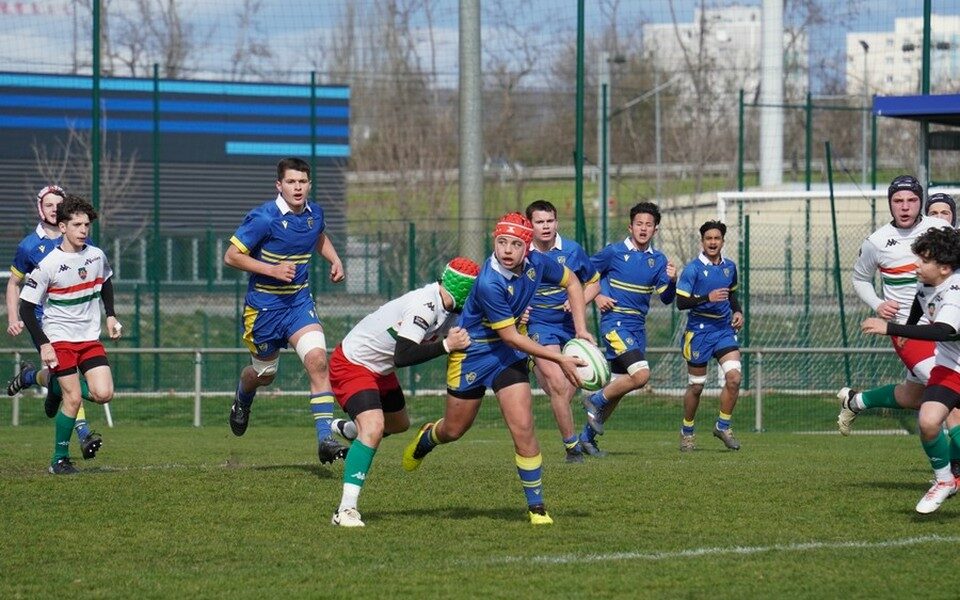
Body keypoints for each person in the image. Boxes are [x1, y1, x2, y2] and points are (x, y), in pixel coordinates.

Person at [402, 212, 592, 525]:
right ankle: (427, 438)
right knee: (454, 429)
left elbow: (572, 281)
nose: (506, 249)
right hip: (472, 353)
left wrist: (581, 329)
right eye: (501, 241)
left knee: (523, 425)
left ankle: (537, 507)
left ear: (527, 247)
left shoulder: (538, 264)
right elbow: (511, 336)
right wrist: (559, 358)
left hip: (506, 354)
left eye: (515, 244)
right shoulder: (490, 282)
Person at [327, 258, 479, 527]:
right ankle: (346, 510)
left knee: (399, 424)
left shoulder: (453, 307)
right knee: (374, 428)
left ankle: (351, 431)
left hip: (380, 370)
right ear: (460, 288)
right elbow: (403, 355)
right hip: (353, 363)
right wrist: (446, 345)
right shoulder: (425, 305)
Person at [224, 157, 347, 464]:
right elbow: (231, 256)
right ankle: (243, 396)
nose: (297, 187)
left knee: (319, 361)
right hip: (264, 309)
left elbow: (318, 236)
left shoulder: (314, 213)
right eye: (291, 182)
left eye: (302, 182)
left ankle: (325, 439)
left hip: (298, 303)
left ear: (309, 184)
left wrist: (334, 259)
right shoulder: (263, 218)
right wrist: (272, 270)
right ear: (279, 185)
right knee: (265, 375)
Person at [17, 195, 120, 474]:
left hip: (88, 338)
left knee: (104, 393)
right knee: (73, 398)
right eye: (77, 225)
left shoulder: (96, 255)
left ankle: (52, 386)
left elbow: (106, 282)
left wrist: (110, 315)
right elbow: (26, 307)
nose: (83, 230)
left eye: (86, 224)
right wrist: (44, 345)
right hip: (59, 338)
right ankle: (58, 460)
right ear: (62, 227)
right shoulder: (49, 264)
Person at [861, 226, 960, 513]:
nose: (916, 265)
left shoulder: (954, 293)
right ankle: (944, 482)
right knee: (929, 423)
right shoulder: (926, 282)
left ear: (944, 268)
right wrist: (912, 326)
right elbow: (920, 300)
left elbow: (943, 330)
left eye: (923, 260)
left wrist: (890, 328)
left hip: (950, 359)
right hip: (950, 367)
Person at [5, 185, 103, 460]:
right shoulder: (28, 246)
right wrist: (13, 317)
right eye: (49, 204)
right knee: (70, 381)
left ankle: (30, 377)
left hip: (79, 323)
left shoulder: (82, 241)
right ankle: (83, 434)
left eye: (58, 204)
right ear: (41, 209)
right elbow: (14, 284)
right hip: (46, 324)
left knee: (63, 379)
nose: (53, 208)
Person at [579, 201, 677, 457]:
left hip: (638, 328)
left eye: (649, 225)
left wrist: (673, 280)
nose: (643, 229)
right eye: (639, 224)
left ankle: (585, 440)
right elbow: (588, 273)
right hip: (615, 323)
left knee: (619, 388)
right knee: (641, 375)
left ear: (655, 229)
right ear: (630, 226)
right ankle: (594, 400)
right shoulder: (613, 252)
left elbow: (666, 298)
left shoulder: (658, 260)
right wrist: (598, 296)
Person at [524, 200, 600, 463]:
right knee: (558, 383)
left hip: (569, 327)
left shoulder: (572, 250)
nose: (545, 227)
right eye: (539, 222)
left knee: (563, 391)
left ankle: (536, 366)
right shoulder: (521, 253)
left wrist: (577, 298)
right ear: (530, 225)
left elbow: (593, 283)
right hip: (538, 327)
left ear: (556, 222)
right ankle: (572, 448)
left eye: (550, 221)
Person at [675, 220, 743, 451]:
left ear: (723, 241)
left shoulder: (729, 267)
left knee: (734, 378)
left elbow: (731, 294)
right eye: (708, 239)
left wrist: (738, 311)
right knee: (697, 386)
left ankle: (723, 426)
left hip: (724, 330)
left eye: (717, 238)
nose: (713, 242)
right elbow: (681, 302)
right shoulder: (693, 269)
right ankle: (687, 431)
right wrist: (707, 297)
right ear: (702, 241)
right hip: (699, 333)